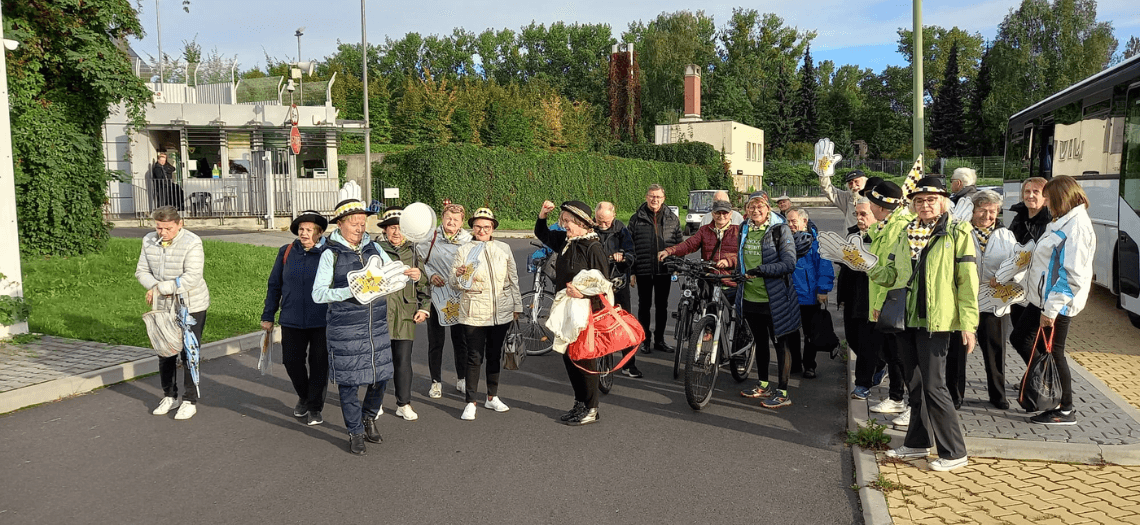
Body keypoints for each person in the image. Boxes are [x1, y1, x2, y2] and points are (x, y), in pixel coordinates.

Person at [869, 177, 978, 472]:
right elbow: (891, 274)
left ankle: (954, 452)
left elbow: (967, 280)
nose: (925, 205)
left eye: (931, 199)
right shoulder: (906, 231)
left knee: (934, 386)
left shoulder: (958, 231)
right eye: (919, 200)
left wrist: (968, 324)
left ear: (943, 201)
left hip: (937, 321)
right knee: (914, 384)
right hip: (907, 318)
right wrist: (864, 264)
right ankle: (917, 443)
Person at [312, 198, 404, 455]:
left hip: (376, 327)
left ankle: (369, 417)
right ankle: (354, 431)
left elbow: (392, 272)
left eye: (363, 223)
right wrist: (350, 291)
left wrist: (409, 274)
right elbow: (318, 294)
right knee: (350, 383)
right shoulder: (331, 253)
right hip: (346, 329)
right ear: (340, 224)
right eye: (354, 224)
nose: (360, 228)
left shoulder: (374, 247)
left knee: (381, 377)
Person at [1011, 176, 1095, 425]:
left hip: (1056, 304)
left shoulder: (1076, 226)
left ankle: (1065, 408)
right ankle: (1045, 386)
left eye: (1048, 197)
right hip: (1042, 299)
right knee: (1020, 338)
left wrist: (1052, 308)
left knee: (1054, 352)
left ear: (1060, 198)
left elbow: (1073, 274)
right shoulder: (1064, 222)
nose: (1045, 202)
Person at [537, 200, 612, 425]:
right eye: (563, 221)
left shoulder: (593, 247)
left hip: (585, 311)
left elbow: (604, 285)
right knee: (569, 357)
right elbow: (542, 234)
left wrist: (583, 295)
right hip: (567, 309)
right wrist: (542, 215)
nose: (564, 225)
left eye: (568, 221)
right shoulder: (567, 241)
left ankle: (592, 408)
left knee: (585, 359)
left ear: (581, 223)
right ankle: (579, 402)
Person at [136, 206, 209, 420]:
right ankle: (169, 395)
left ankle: (189, 400)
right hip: (163, 307)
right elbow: (141, 271)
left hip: (191, 305)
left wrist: (161, 288)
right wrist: (154, 286)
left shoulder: (192, 242)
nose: (163, 232)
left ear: (179, 224)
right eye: (159, 228)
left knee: (189, 353)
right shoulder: (148, 240)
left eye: (168, 228)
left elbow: (192, 277)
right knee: (165, 351)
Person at [451, 207, 522, 421]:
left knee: (494, 355)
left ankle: (492, 396)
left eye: (487, 227)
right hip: (474, 310)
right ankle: (470, 402)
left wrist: (517, 305)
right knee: (474, 356)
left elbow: (513, 279)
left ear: (493, 229)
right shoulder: (464, 250)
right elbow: (454, 284)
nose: (482, 230)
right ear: (472, 228)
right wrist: (459, 275)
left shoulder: (503, 248)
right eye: (478, 226)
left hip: (501, 310)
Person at [260, 210, 329, 426]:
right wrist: (268, 315)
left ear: (318, 233)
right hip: (291, 318)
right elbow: (274, 285)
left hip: (322, 319)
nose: (304, 233)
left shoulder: (329, 253)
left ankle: (315, 407)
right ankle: (305, 396)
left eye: (309, 230)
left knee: (319, 364)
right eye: (301, 229)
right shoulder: (287, 251)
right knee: (291, 362)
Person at [950, 190, 1018, 410]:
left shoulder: (1006, 235)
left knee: (995, 349)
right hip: (963, 299)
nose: (988, 216)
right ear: (973, 210)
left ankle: (998, 395)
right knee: (958, 350)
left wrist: (1006, 278)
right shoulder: (961, 231)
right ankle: (955, 395)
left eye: (993, 211)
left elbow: (1018, 265)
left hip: (994, 301)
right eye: (983, 210)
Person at [736, 191, 801, 409]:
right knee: (760, 342)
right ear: (746, 210)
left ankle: (783, 392)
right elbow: (741, 259)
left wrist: (762, 270)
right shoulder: (744, 229)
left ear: (768, 209)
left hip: (775, 299)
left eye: (760, 206)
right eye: (751, 207)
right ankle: (763, 384)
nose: (755, 210)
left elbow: (789, 263)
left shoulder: (780, 230)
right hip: (750, 297)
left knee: (780, 344)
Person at [863, 181, 915, 428]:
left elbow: (895, 271)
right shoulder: (887, 225)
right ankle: (896, 397)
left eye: (872, 204)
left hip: (893, 298)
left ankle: (910, 404)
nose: (869, 208)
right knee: (891, 352)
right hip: (884, 296)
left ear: (882, 206)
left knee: (900, 355)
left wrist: (881, 302)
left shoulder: (899, 227)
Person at [376, 207, 430, 421]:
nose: (396, 233)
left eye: (399, 228)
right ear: (385, 230)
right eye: (391, 228)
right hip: (380, 313)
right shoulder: (375, 251)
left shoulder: (414, 252)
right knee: (379, 361)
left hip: (406, 313)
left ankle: (403, 403)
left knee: (403, 361)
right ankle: (375, 402)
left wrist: (424, 308)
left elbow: (425, 285)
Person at [415, 203, 473, 399]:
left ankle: (462, 379)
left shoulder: (468, 239)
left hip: (457, 294)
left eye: (456, 220)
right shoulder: (430, 237)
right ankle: (435, 382)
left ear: (462, 222)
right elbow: (419, 261)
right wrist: (430, 275)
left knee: (461, 340)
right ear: (442, 218)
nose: (452, 222)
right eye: (448, 218)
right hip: (435, 294)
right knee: (436, 341)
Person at [837, 200, 885, 400]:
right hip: (852, 295)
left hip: (870, 295)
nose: (859, 219)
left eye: (864, 214)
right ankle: (880, 363)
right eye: (857, 214)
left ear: (875, 214)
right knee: (853, 338)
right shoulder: (852, 234)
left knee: (867, 341)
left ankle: (862, 384)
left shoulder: (883, 237)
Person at [628, 184, 684, 354]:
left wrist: (676, 265)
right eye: (652, 196)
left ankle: (659, 340)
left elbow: (680, 244)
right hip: (643, 269)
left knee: (662, 306)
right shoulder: (636, 218)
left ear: (663, 199)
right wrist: (631, 271)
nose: (655, 200)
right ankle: (644, 340)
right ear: (646, 197)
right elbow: (629, 246)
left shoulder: (672, 219)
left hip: (664, 269)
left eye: (658, 197)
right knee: (644, 305)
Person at [785, 207, 834, 379]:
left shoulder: (816, 242)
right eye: (788, 221)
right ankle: (795, 364)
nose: (790, 225)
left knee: (810, 334)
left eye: (793, 221)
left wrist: (823, 289)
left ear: (804, 221)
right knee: (791, 333)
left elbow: (825, 266)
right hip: (789, 295)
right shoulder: (785, 241)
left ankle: (810, 365)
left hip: (809, 295)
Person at [594, 201, 641, 378]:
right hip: (597, 284)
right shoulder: (591, 230)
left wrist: (623, 257)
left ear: (613, 215)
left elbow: (631, 255)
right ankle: (600, 362)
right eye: (600, 221)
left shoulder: (622, 230)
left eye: (606, 221)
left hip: (618, 283)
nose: (603, 225)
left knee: (623, 323)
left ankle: (628, 364)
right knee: (598, 323)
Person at [1006, 177, 1051, 345]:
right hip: (1017, 289)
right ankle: (1033, 372)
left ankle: (1038, 372)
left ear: (1046, 197)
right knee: (1021, 337)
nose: (1030, 195)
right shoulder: (1019, 218)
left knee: (1028, 341)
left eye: (1036, 192)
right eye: (1027, 191)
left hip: (1038, 292)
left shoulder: (1050, 222)